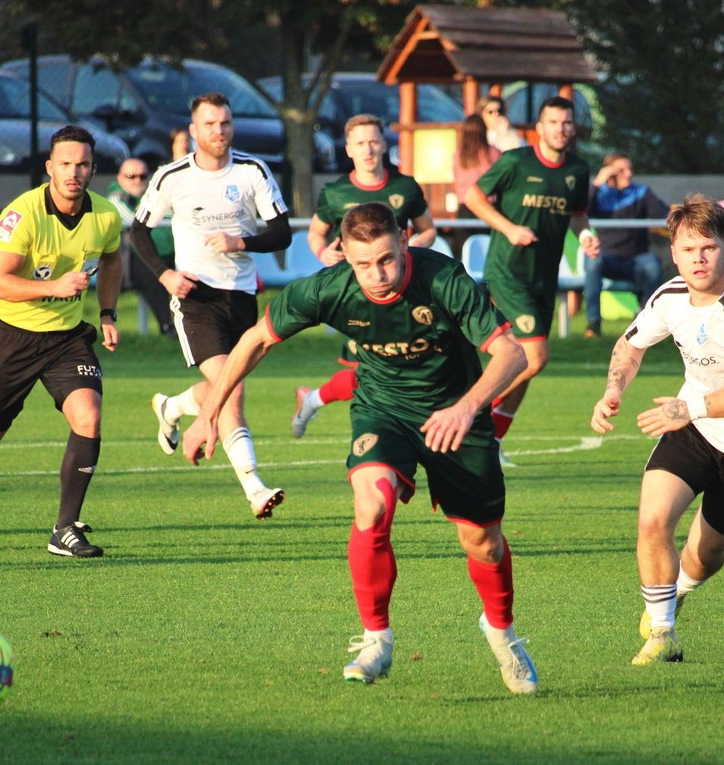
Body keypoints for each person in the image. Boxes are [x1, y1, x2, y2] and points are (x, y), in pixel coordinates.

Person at [184, 202, 538, 694]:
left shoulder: (442, 278)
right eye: (364, 263)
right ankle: (376, 639)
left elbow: (511, 353)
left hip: (457, 413)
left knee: (482, 541)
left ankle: (502, 635)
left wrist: (466, 407)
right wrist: (207, 416)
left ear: (405, 239)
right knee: (371, 507)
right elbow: (255, 342)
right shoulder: (329, 288)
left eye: (388, 259)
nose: (378, 275)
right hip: (383, 409)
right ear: (342, 253)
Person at [590, 194, 724, 666]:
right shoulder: (669, 297)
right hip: (695, 428)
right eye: (687, 249)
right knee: (652, 519)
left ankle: (678, 590)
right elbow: (629, 345)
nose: (698, 259)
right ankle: (662, 634)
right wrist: (612, 390)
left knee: (704, 556)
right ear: (673, 253)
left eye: (708, 247)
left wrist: (691, 407)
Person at [0, 125, 123, 556]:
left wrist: (107, 313)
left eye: (83, 164)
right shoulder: (23, 215)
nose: (74, 172)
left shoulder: (106, 216)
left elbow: (113, 259)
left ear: (93, 169)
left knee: (88, 416)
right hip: (13, 339)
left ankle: (65, 529)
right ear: (49, 169)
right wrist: (54, 287)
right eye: (65, 164)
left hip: (66, 339)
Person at [133, 92, 292, 519]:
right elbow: (139, 231)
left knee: (223, 384)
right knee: (233, 390)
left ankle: (174, 406)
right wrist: (165, 275)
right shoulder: (172, 177)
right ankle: (254, 488)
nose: (218, 131)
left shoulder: (252, 171)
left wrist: (241, 241)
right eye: (209, 124)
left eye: (224, 123)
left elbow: (281, 233)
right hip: (195, 298)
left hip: (240, 297)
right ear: (193, 130)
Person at [464, 95, 599, 464]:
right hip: (508, 273)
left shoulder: (577, 170)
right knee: (534, 357)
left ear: (573, 128)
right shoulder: (516, 162)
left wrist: (585, 236)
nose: (561, 128)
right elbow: (473, 197)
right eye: (553, 122)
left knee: (523, 363)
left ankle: (490, 442)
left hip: (543, 278)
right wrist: (508, 229)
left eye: (566, 122)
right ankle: (469, 416)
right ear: (539, 128)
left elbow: (577, 215)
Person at [292, 114, 437, 438]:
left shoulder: (404, 187)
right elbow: (315, 233)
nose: (368, 149)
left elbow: (428, 230)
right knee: (368, 371)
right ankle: (381, 437)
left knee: (402, 363)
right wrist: (322, 252)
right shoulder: (336, 192)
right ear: (349, 149)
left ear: (384, 144)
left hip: (401, 289)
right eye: (360, 143)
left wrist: (409, 248)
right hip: (357, 293)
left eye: (373, 141)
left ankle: (313, 400)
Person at [583, 152, 667, 338]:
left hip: (636, 259)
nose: (628, 174)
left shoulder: (641, 192)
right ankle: (593, 323)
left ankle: (644, 322)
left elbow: (663, 214)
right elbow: (581, 211)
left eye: (630, 169)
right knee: (592, 260)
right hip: (607, 258)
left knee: (652, 265)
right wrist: (598, 182)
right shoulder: (599, 193)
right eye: (621, 170)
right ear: (609, 173)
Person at [107, 157, 175, 336]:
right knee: (153, 275)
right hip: (129, 263)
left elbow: (174, 217)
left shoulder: (154, 196)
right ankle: (168, 326)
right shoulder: (115, 198)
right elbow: (135, 222)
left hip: (167, 256)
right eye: (131, 176)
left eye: (142, 176)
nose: (137, 180)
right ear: (119, 178)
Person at [451, 113, 502, 254]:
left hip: (464, 208)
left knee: (464, 253)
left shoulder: (458, 155)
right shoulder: (494, 153)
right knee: (488, 252)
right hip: (488, 207)